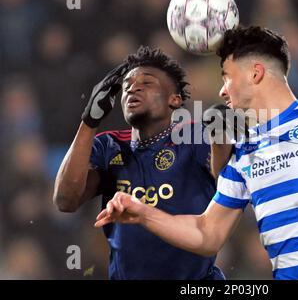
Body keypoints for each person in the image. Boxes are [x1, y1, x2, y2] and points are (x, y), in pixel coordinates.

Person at [94, 27, 298, 280]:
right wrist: (142, 214)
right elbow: (207, 234)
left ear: (255, 73)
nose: (222, 89)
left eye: (226, 77)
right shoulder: (242, 150)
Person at [53, 46, 228, 279]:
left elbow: (225, 177)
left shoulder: (195, 136)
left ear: (174, 99)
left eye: (147, 83)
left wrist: (222, 138)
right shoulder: (108, 146)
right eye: (126, 87)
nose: (133, 88)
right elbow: (66, 200)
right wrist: (89, 121)